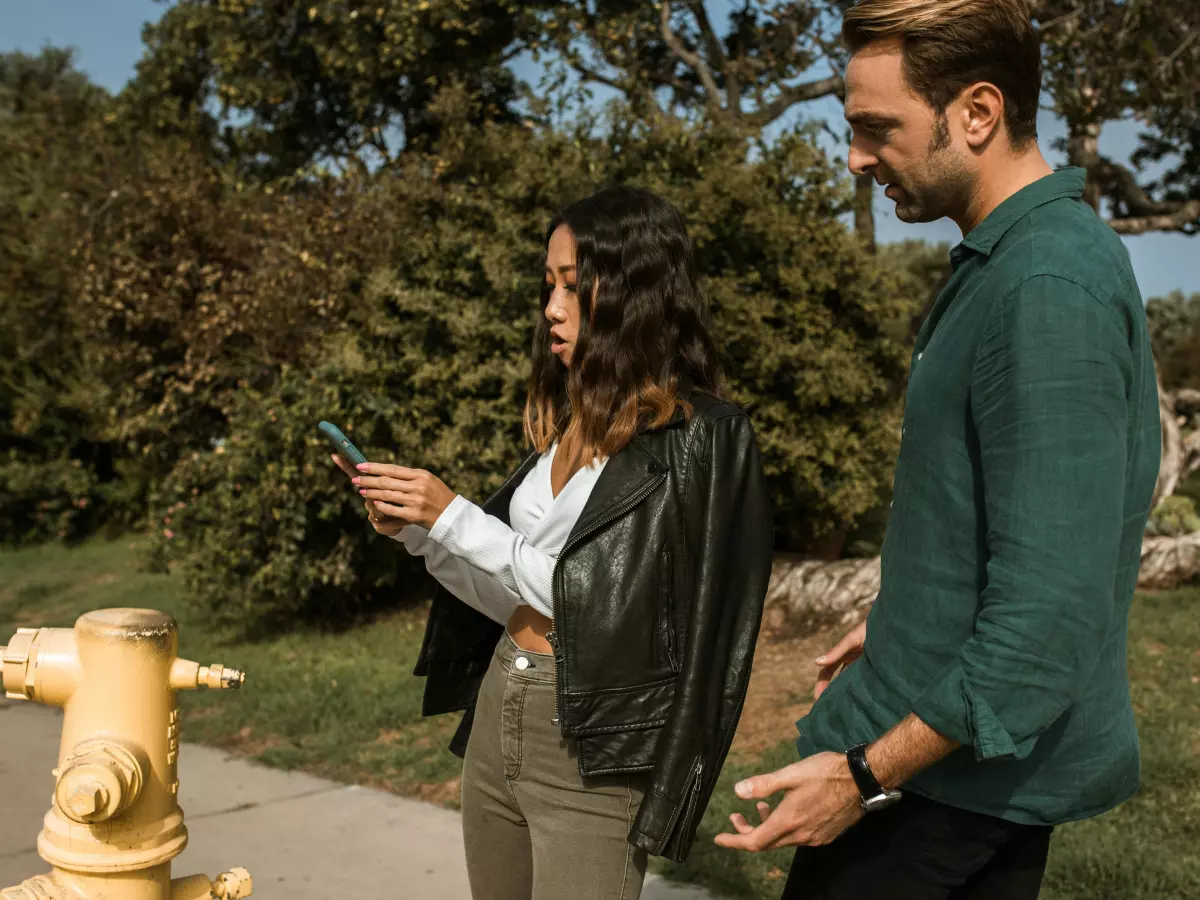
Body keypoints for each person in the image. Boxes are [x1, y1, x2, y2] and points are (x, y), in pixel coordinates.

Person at [714, 2, 1162, 898]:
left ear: (978, 113)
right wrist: (902, 619)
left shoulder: (1045, 283)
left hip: (940, 798)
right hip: (943, 775)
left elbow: (1047, 622)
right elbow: (1005, 521)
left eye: (877, 129)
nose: (854, 156)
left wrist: (861, 777)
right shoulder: (1007, 262)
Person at [330, 186, 774, 900]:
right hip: (505, 703)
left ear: (633, 292)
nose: (551, 307)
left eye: (574, 285)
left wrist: (456, 517)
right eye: (549, 285)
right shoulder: (566, 429)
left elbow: (607, 610)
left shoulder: (703, 439)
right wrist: (425, 537)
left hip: (593, 745)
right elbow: (517, 593)